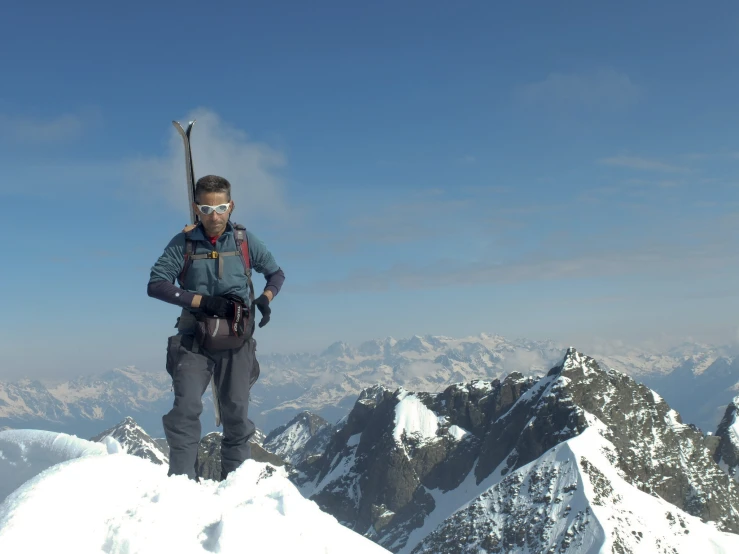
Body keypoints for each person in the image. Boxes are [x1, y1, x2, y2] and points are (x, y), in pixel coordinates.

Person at [147, 174, 285, 481]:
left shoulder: (245, 241)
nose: (215, 216)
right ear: (197, 209)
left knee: (237, 415)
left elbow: (276, 274)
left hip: (237, 340)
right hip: (193, 339)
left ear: (231, 205)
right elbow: (156, 285)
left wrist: (265, 298)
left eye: (221, 207)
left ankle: (235, 489)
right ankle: (181, 485)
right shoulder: (182, 243)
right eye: (207, 209)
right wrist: (202, 302)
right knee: (185, 410)